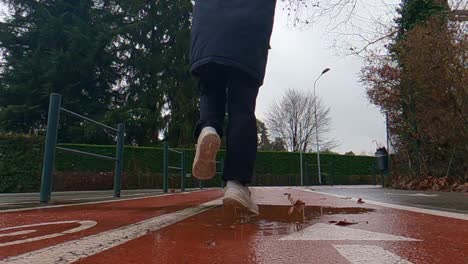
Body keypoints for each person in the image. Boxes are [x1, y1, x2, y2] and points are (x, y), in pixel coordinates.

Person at [190, 0, 277, 215]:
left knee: (210, 89)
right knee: (242, 107)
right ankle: (236, 185)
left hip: (208, 28)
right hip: (249, 31)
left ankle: (209, 128)